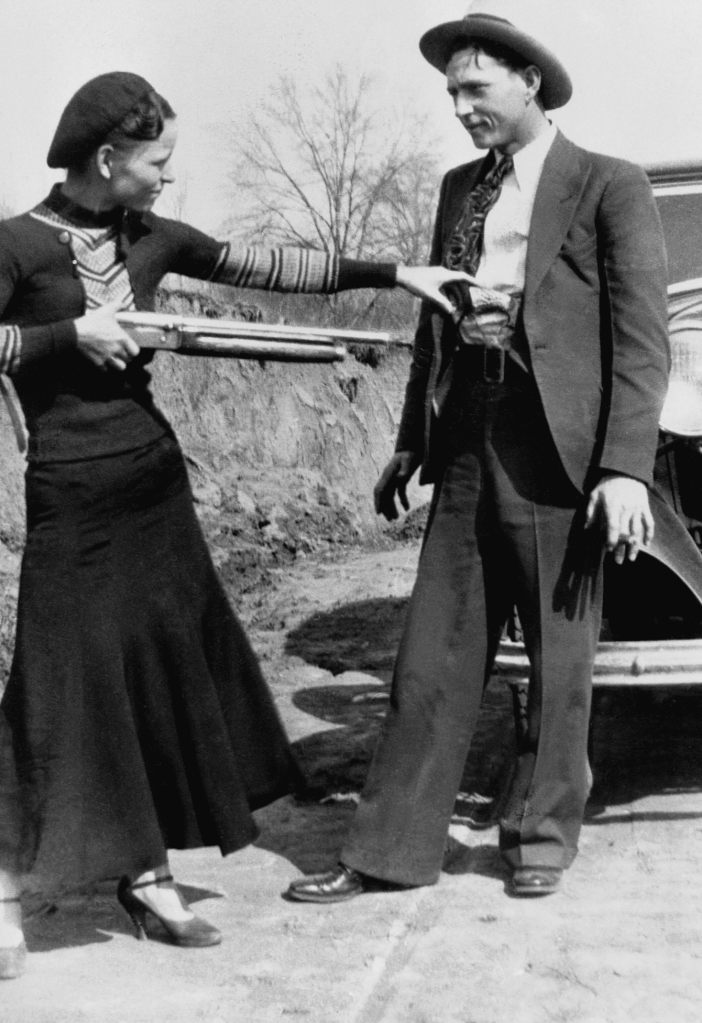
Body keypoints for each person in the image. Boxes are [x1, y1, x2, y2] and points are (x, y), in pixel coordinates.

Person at [0, 72, 472, 978]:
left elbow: (267, 266)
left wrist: (398, 273)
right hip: (69, 494)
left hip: (152, 486)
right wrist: (67, 336)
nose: (167, 179)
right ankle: (2, 889)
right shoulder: (16, 244)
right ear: (108, 158)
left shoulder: (151, 237)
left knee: (161, 675)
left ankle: (146, 873)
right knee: (54, 684)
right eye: (157, 162)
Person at [288, 1, 669, 904]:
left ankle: (539, 837)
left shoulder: (607, 183)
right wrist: (408, 442)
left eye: (474, 88)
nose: (459, 107)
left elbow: (640, 338)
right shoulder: (461, 186)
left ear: (528, 81)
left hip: (559, 453)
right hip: (467, 434)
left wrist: (621, 466)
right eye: (450, 92)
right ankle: (387, 849)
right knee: (429, 656)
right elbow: (433, 322)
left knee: (558, 654)